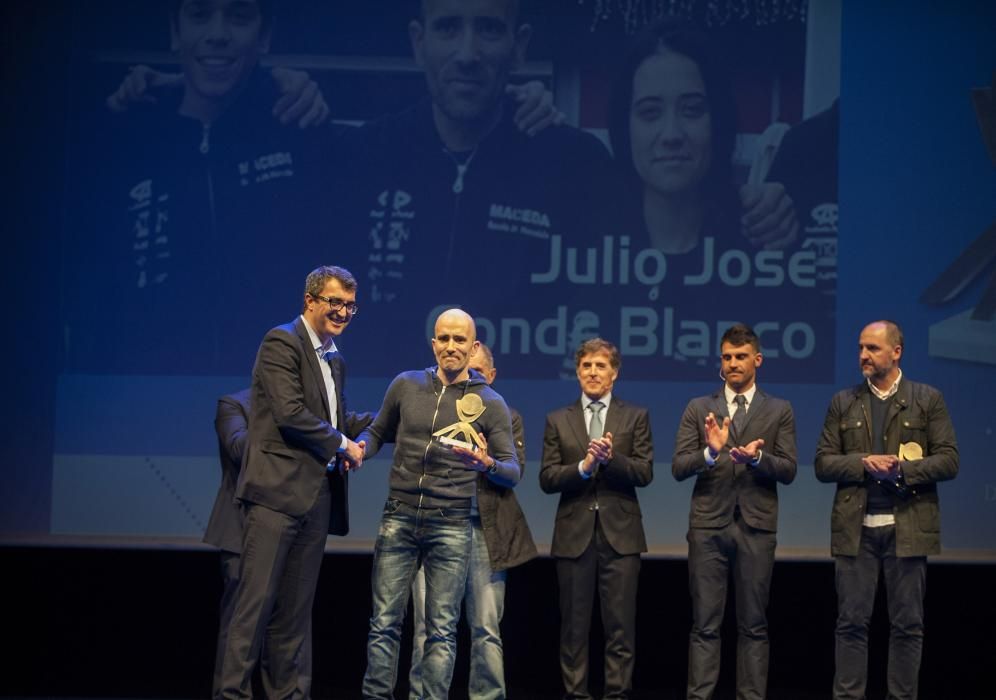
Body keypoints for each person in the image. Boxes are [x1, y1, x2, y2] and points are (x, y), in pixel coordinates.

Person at [342, 0, 617, 380]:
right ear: (419, 43)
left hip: (523, 415)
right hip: (385, 417)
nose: (467, 53)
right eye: (448, 28)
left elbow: (594, 317)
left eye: (488, 29)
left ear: (518, 46)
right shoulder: (365, 157)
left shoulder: (574, 163)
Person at [66, 0, 328, 376]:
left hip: (272, 394)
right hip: (143, 394)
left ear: (264, 34)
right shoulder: (125, 138)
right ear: (175, 31)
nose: (218, 34)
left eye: (238, 17)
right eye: (200, 15)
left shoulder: (297, 126)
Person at [218, 265, 368, 698]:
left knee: (294, 619)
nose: (342, 312)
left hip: (316, 499)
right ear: (310, 301)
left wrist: (391, 422)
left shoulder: (334, 358)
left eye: (349, 306)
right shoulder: (281, 341)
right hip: (275, 498)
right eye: (334, 302)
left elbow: (338, 421)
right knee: (252, 612)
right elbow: (290, 414)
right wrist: (344, 444)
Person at [358, 308, 521, 699]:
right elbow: (379, 430)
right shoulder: (405, 384)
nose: (451, 347)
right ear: (433, 343)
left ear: (473, 346)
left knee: (441, 630)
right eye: (443, 339)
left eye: (459, 340)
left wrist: (486, 463)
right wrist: (360, 447)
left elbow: (512, 470)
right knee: (384, 623)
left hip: (451, 524)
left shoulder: (491, 402)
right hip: (398, 517)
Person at [815, 320, 959, 700]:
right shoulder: (843, 402)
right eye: (861, 348)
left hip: (908, 526)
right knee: (850, 624)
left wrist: (903, 469)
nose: (863, 355)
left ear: (896, 352)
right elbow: (823, 463)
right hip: (856, 528)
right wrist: (863, 462)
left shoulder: (927, 399)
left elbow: (949, 461)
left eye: (873, 348)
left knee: (908, 625)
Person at [671, 323, 798, 700]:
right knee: (705, 624)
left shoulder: (779, 410)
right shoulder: (699, 408)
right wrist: (711, 453)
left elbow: (789, 469)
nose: (733, 364)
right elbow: (679, 467)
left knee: (754, 625)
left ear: (757, 359)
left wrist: (757, 457)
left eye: (741, 357)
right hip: (709, 526)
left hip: (757, 526)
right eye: (727, 357)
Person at [408, 342, 537, 700]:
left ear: (492, 377)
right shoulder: (432, 410)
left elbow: (515, 473)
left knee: (486, 628)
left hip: (483, 532)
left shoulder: (507, 417)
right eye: (467, 372)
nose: (471, 378)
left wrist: (486, 460)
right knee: (428, 628)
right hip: (434, 530)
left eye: (478, 373)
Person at [539, 338, 654, 700]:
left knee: (620, 628)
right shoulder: (558, 419)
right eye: (586, 366)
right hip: (575, 535)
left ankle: (617, 694)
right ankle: (576, 695)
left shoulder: (635, 416)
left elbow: (644, 472)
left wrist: (610, 459)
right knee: (574, 629)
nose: (592, 372)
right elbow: (548, 478)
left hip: (621, 537)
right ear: (577, 372)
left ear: (614, 373)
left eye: (600, 366)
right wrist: (584, 467)